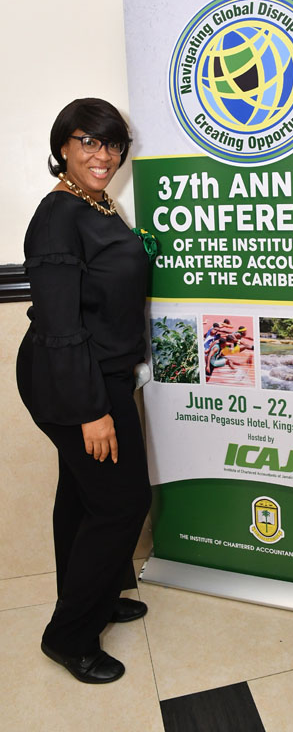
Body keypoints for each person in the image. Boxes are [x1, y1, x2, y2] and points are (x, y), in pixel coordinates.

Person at [16, 98, 153, 684]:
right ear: (63, 147)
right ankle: (69, 635)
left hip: (103, 371)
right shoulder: (58, 215)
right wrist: (92, 410)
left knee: (81, 494)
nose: (104, 155)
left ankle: (95, 595)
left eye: (113, 143)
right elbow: (60, 326)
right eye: (89, 141)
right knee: (122, 503)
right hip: (75, 379)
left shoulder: (96, 203)